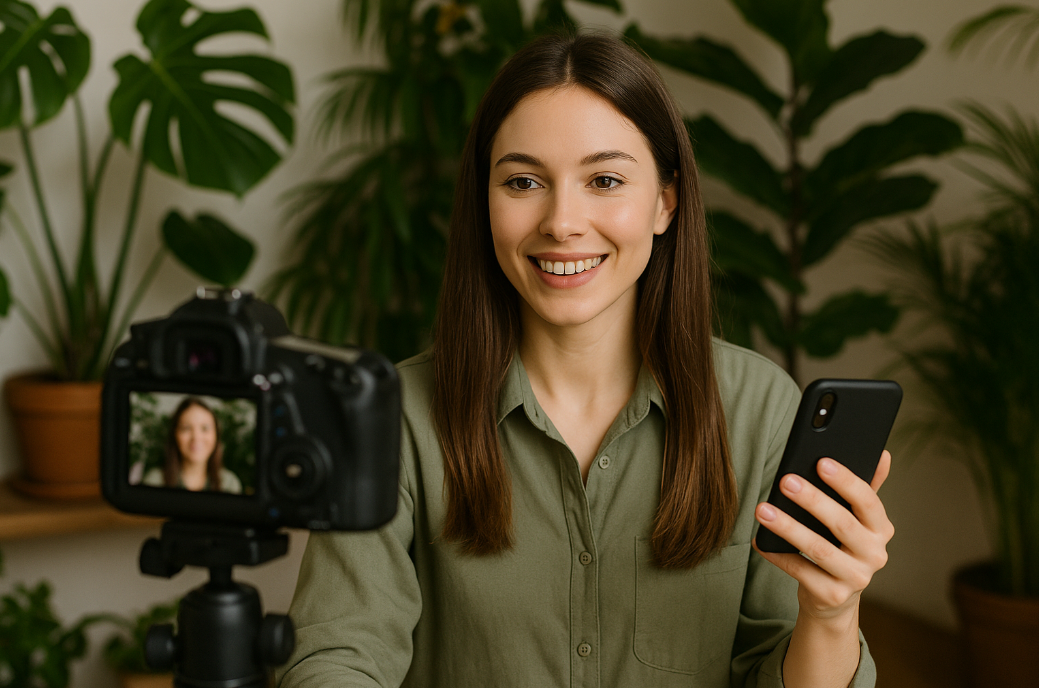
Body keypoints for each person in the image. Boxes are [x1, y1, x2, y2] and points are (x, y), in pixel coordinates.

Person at [278, 32, 891, 688]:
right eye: (522, 181)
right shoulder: (392, 417)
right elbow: (335, 658)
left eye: (603, 180)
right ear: (483, 203)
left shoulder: (760, 410)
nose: (561, 221)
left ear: (665, 200)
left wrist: (831, 613)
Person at [143, 396, 242, 494]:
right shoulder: (154, 481)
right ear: (174, 434)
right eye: (186, 428)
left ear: (216, 435)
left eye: (205, 428)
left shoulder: (229, 484)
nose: (196, 437)